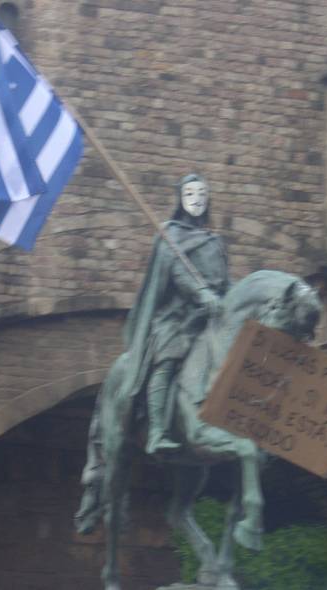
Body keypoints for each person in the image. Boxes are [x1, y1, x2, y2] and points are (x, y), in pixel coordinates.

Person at [121, 173, 230, 454]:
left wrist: (230, 298)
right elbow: (177, 273)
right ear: (181, 199)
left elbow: (224, 280)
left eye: (202, 195)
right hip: (177, 317)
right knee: (168, 359)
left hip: (211, 318)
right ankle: (157, 431)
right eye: (191, 194)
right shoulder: (171, 235)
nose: (197, 200)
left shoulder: (215, 241)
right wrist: (201, 294)